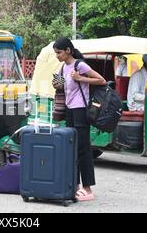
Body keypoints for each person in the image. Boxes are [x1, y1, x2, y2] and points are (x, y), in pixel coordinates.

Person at [53, 37, 106, 202]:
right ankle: (74, 186)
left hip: (81, 109)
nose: (57, 56)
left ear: (68, 50)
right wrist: (57, 84)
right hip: (69, 109)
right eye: (56, 53)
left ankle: (88, 188)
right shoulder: (63, 67)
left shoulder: (79, 65)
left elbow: (101, 80)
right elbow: (63, 87)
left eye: (59, 52)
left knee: (83, 148)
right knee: (72, 148)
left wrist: (81, 78)